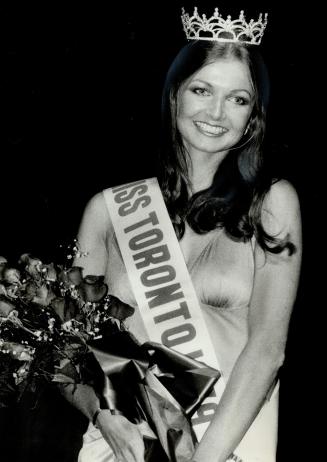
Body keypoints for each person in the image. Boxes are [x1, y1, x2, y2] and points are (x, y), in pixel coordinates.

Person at [60, 7, 302, 462]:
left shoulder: (272, 203)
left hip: (227, 448)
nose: (216, 112)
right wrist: (102, 414)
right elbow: (70, 347)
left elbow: (268, 349)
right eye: (202, 90)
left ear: (254, 117)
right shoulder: (108, 210)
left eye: (238, 99)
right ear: (175, 95)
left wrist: (203, 459)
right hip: (120, 449)